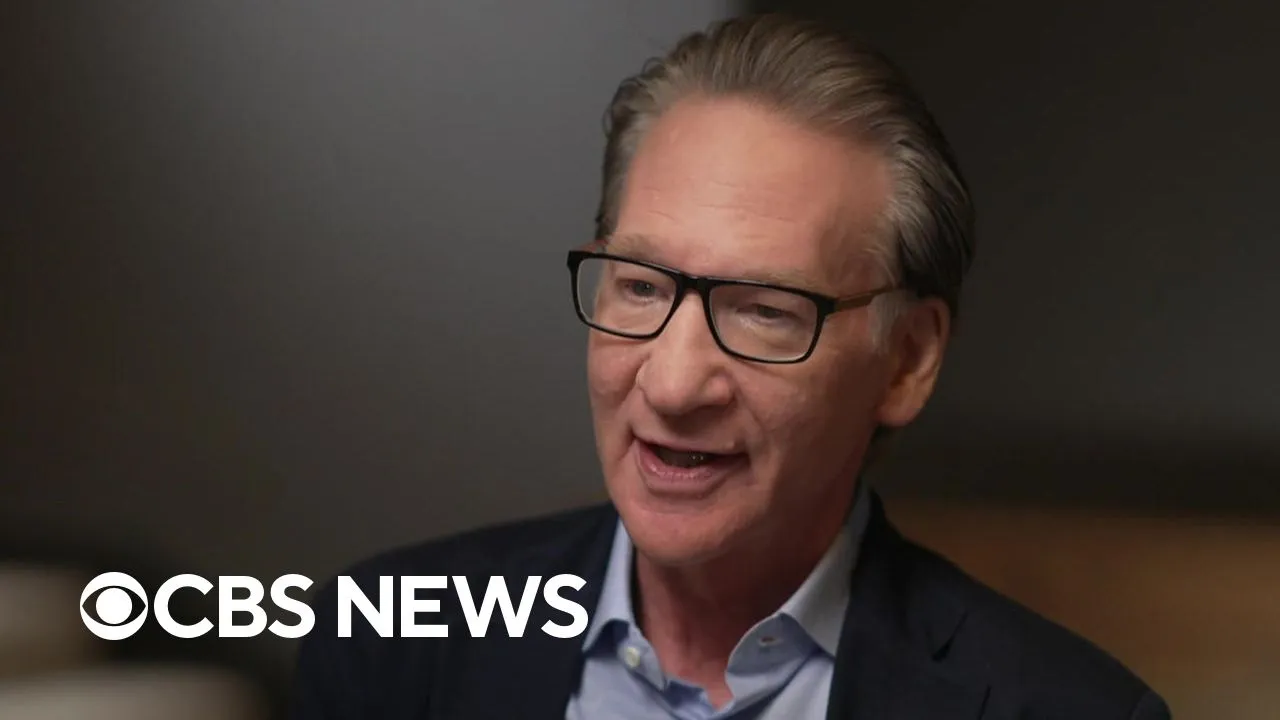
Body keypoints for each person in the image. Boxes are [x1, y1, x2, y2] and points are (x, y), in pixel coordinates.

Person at [291, 13, 1169, 719]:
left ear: (906, 360)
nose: (673, 386)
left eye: (764, 311)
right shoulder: (387, 643)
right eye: (641, 287)